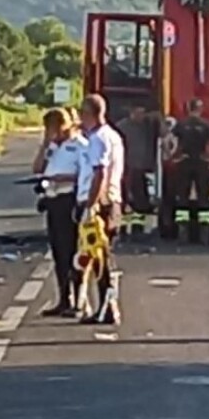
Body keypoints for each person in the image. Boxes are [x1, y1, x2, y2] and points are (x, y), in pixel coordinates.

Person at [75, 94, 125, 325]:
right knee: (101, 258)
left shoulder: (98, 139)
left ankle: (107, 308)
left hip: (101, 204)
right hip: (112, 201)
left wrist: (91, 205)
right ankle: (107, 306)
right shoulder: (113, 136)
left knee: (100, 259)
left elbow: (100, 173)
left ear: (89, 114)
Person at [32, 107, 87, 317]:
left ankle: (78, 300)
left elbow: (85, 175)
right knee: (58, 253)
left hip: (69, 199)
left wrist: (61, 178)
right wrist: (45, 145)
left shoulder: (80, 145)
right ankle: (63, 298)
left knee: (72, 251)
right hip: (52, 199)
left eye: (53, 128)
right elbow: (37, 169)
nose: (51, 132)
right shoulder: (54, 147)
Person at [171, 98, 209, 244]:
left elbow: (167, 140)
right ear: (200, 109)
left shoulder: (181, 124)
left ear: (188, 108)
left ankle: (183, 234)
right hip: (201, 163)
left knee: (183, 197)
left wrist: (172, 156)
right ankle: (204, 235)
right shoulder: (206, 125)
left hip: (185, 162)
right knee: (203, 198)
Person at [117, 104, 160, 234]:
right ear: (132, 112)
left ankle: (138, 229)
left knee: (140, 200)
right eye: (139, 113)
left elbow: (159, 123)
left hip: (141, 169)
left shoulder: (146, 126)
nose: (142, 116)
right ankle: (122, 229)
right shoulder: (122, 127)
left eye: (143, 113)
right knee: (124, 199)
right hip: (127, 168)